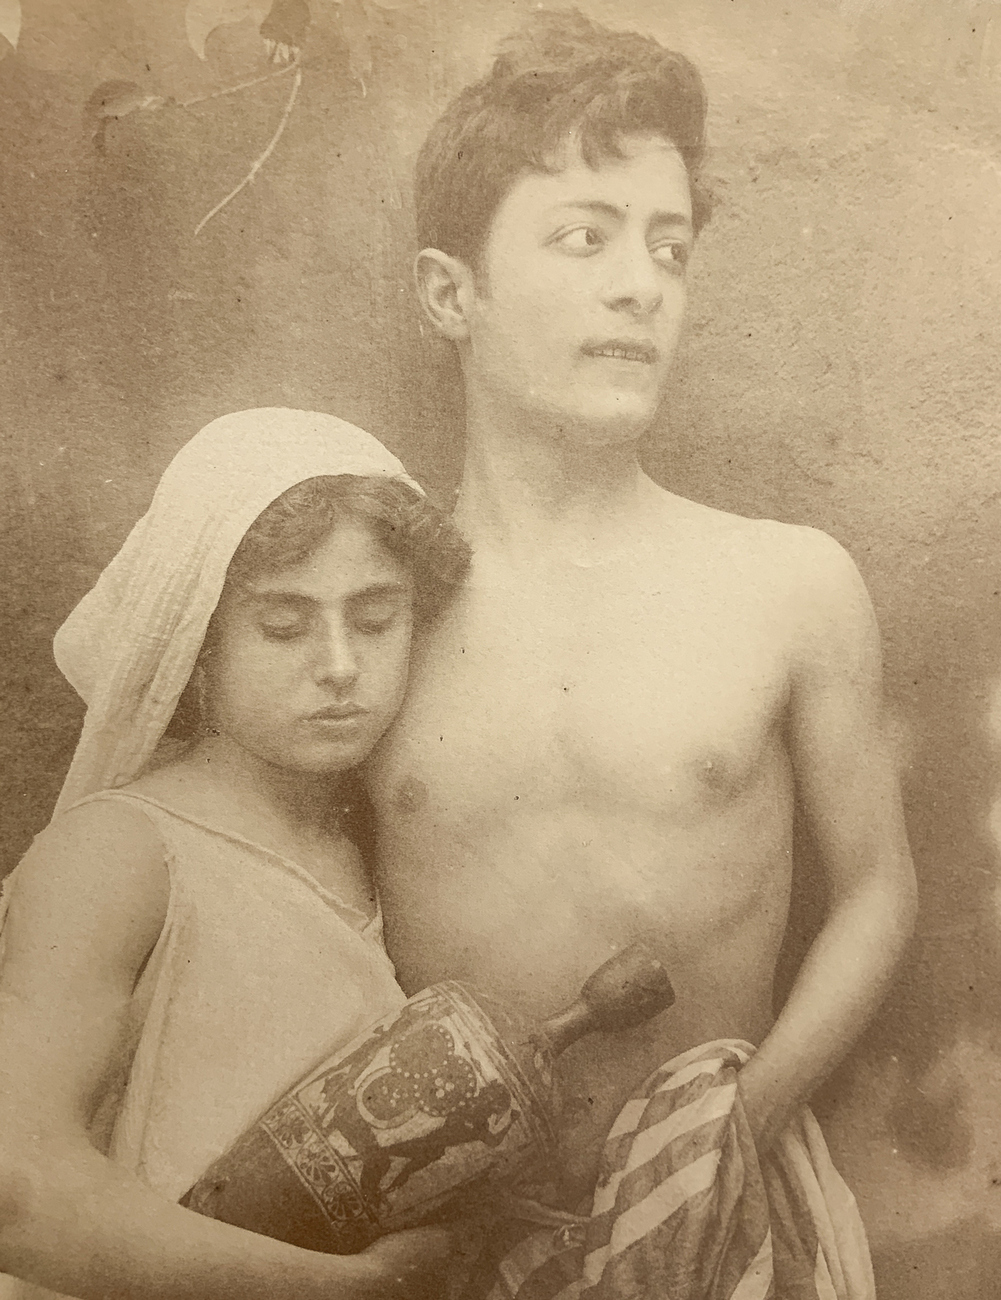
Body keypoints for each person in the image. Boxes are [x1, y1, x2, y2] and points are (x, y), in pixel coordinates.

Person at [365, 10, 918, 1294]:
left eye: (670, 248)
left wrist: (733, 1134)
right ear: (451, 293)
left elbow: (877, 889)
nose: (642, 285)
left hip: (732, 1225)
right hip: (456, 1249)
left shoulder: (787, 582)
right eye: (584, 237)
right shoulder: (376, 614)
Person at [0, 408, 470, 1300]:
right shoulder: (121, 852)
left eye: (376, 618)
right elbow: (14, 1190)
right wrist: (343, 1290)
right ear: (200, 646)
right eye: (284, 626)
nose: (340, 664)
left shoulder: (388, 848)